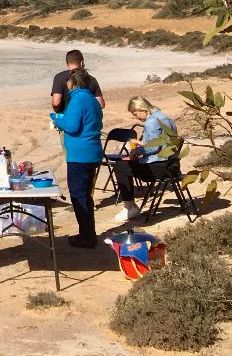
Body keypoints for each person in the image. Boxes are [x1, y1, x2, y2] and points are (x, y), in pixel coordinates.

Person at [49, 67, 103, 247]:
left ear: (72, 84)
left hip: (81, 155)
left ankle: (87, 236)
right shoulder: (92, 100)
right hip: (92, 152)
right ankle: (88, 233)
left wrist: (56, 118)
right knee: (86, 195)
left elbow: (72, 126)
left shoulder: (78, 99)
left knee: (79, 195)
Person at [112, 96, 181, 221]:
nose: (135, 117)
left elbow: (152, 148)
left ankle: (129, 206)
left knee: (120, 166)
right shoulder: (164, 117)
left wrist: (136, 151)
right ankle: (130, 206)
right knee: (125, 164)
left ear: (142, 109)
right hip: (172, 165)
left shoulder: (152, 121)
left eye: (135, 113)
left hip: (159, 167)